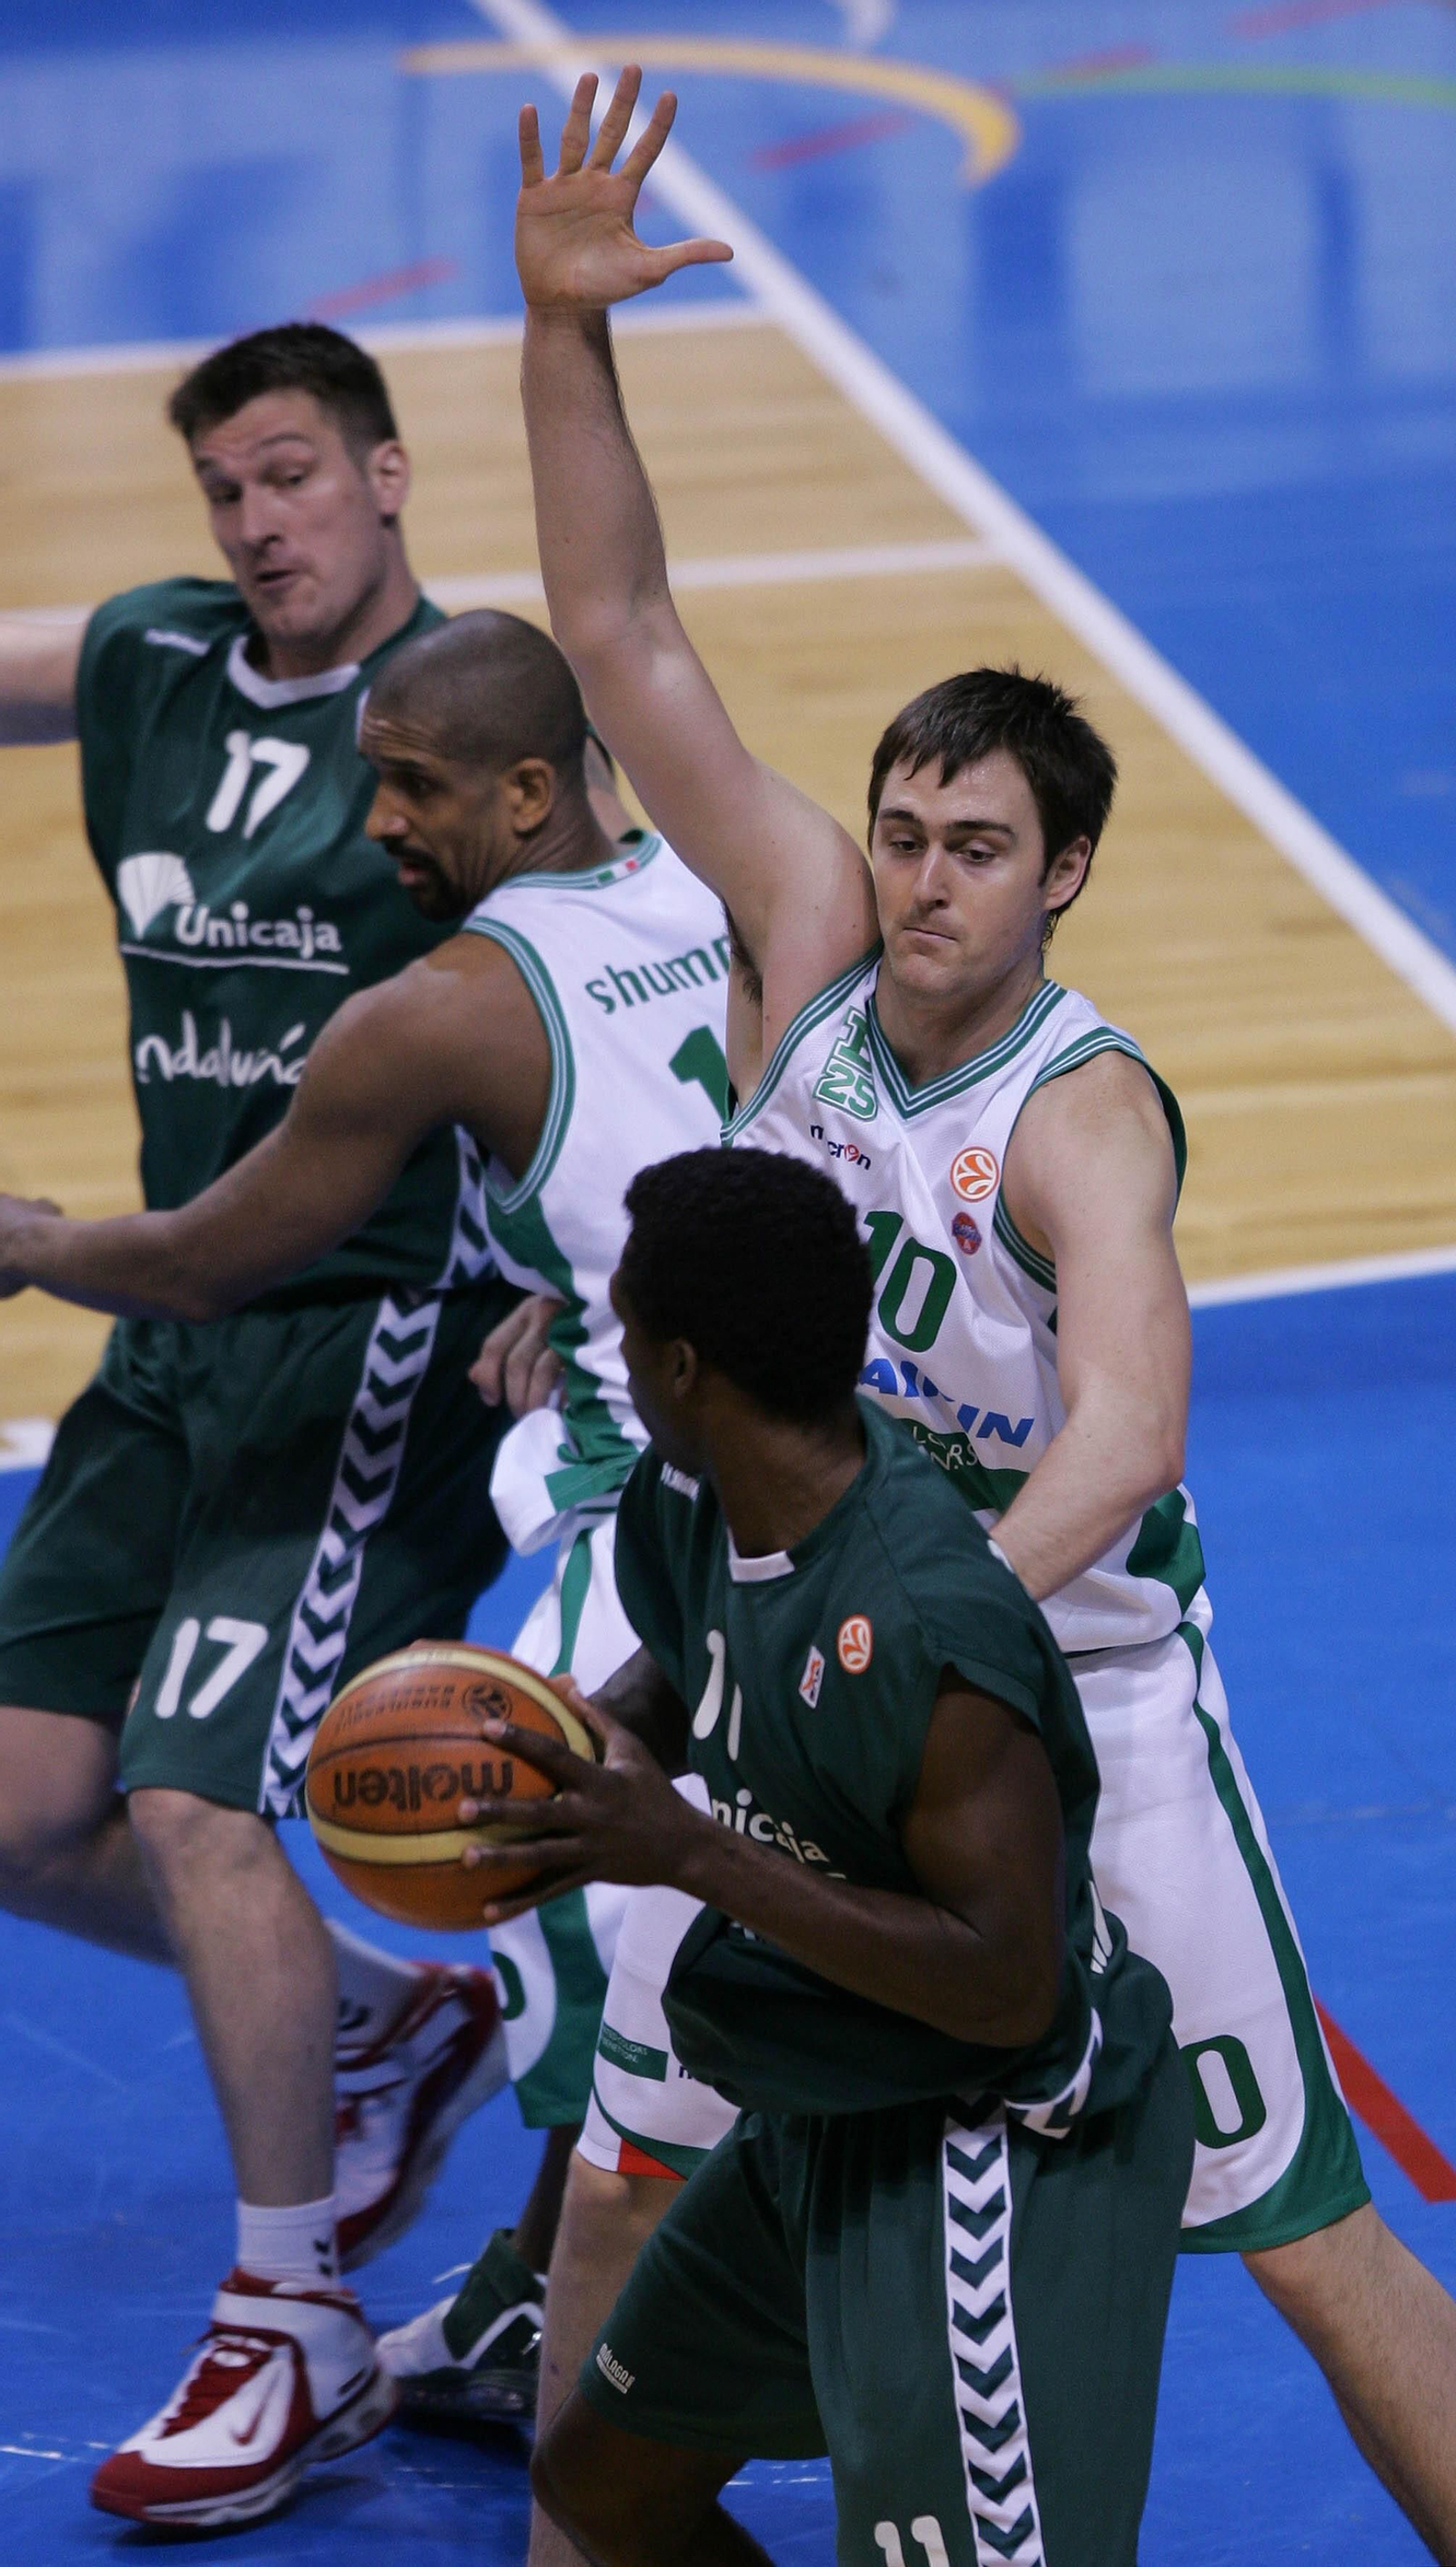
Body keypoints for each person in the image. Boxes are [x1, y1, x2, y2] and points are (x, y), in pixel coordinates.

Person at [504, 68, 1456, 2567]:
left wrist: (906, 1633)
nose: (921, 877)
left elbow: (1124, 1432)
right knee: (631, 2158)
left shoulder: (1079, 1115)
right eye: (905, 827)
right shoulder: (808, 954)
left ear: (1067, 878)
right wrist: (563, 332)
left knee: (1311, 2247)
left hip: (1071, 1703)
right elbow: (620, 633)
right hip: (814, 1675)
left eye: (978, 848)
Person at [0, 604, 733, 2487]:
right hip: (722, 1445)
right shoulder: (713, 878)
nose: (378, 821)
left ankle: (315, 2333)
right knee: (601, 1917)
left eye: (409, 788)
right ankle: (515, 2270)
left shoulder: (442, 1004)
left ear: (525, 789)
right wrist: (592, 1279)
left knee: (532, 1875)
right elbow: (747, 1131)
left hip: (647, 1494)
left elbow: (207, 1258)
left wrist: (30, 1243)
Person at [0, 327, 561, 2525]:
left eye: (294, 476)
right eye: (227, 489)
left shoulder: (467, 727)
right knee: (22, 1807)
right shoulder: (156, 660)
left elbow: (646, 978)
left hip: (371, 1339)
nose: (259, 524)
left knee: (195, 1795)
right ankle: (391, 2019)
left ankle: (294, 2323)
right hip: (171, 1313)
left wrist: (577, 1264)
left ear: (388, 474)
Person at [445, 1146, 1190, 2567]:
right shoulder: (697, 1501)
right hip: (830, 2098)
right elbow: (693, 1668)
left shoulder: (925, 1621)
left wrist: (687, 1853)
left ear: (682, 1366)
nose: (611, 1353)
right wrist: (559, 1763)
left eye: (624, 1324)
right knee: (602, 2486)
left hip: (992, 2144)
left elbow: (1008, 1989)